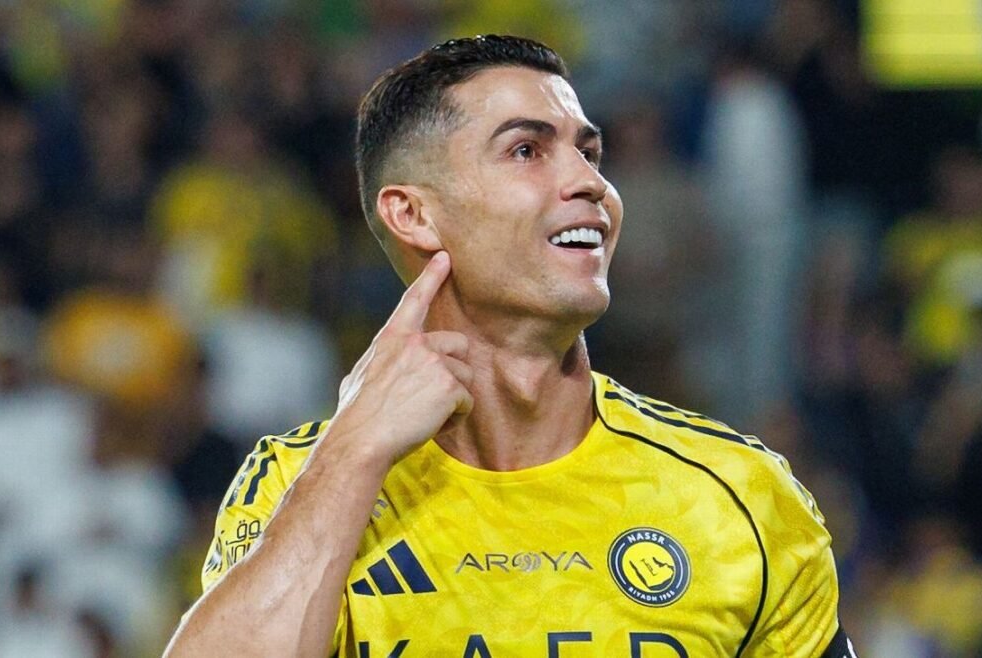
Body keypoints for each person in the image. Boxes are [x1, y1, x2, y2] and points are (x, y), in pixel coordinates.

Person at [165, 35, 855, 658]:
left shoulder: (742, 495)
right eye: (527, 151)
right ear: (413, 213)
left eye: (589, 153)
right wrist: (354, 451)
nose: (591, 183)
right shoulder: (296, 482)